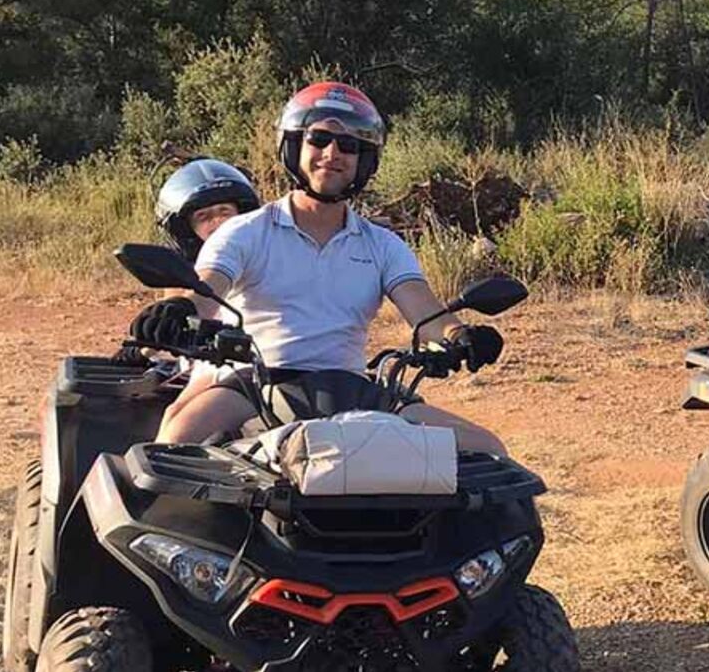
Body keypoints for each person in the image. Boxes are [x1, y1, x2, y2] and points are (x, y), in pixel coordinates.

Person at [139, 82, 510, 456]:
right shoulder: (245, 232)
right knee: (173, 445)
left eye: (348, 145)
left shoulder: (383, 245)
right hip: (256, 383)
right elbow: (208, 290)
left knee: (489, 450)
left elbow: (426, 313)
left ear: (364, 160)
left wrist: (460, 335)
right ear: (294, 146)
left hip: (353, 389)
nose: (332, 153)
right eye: (318, 139)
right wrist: (180, 309)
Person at [136, 158, 262, 423]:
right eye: (203, 217)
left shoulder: (267, 252)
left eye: (224, 211)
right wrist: (142, 349)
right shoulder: (183, 271)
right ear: (187, 228)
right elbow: (171, 327)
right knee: (176, 418)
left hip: (271, 358)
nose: (217, 222)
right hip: (218, 363)